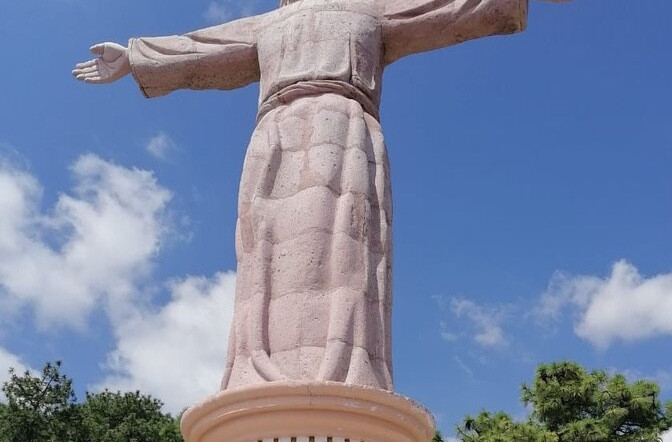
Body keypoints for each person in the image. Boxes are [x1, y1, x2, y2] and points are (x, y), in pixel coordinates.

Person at [72, 0, 572, 393]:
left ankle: (349, 367)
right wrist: (136, 58)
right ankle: (255, 367)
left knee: (347, 248)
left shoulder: (372, 8)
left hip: (347, 128)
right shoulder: (269, 24)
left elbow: (450, 8)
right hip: (274, 137)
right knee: (261, 252)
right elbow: (202, 46)